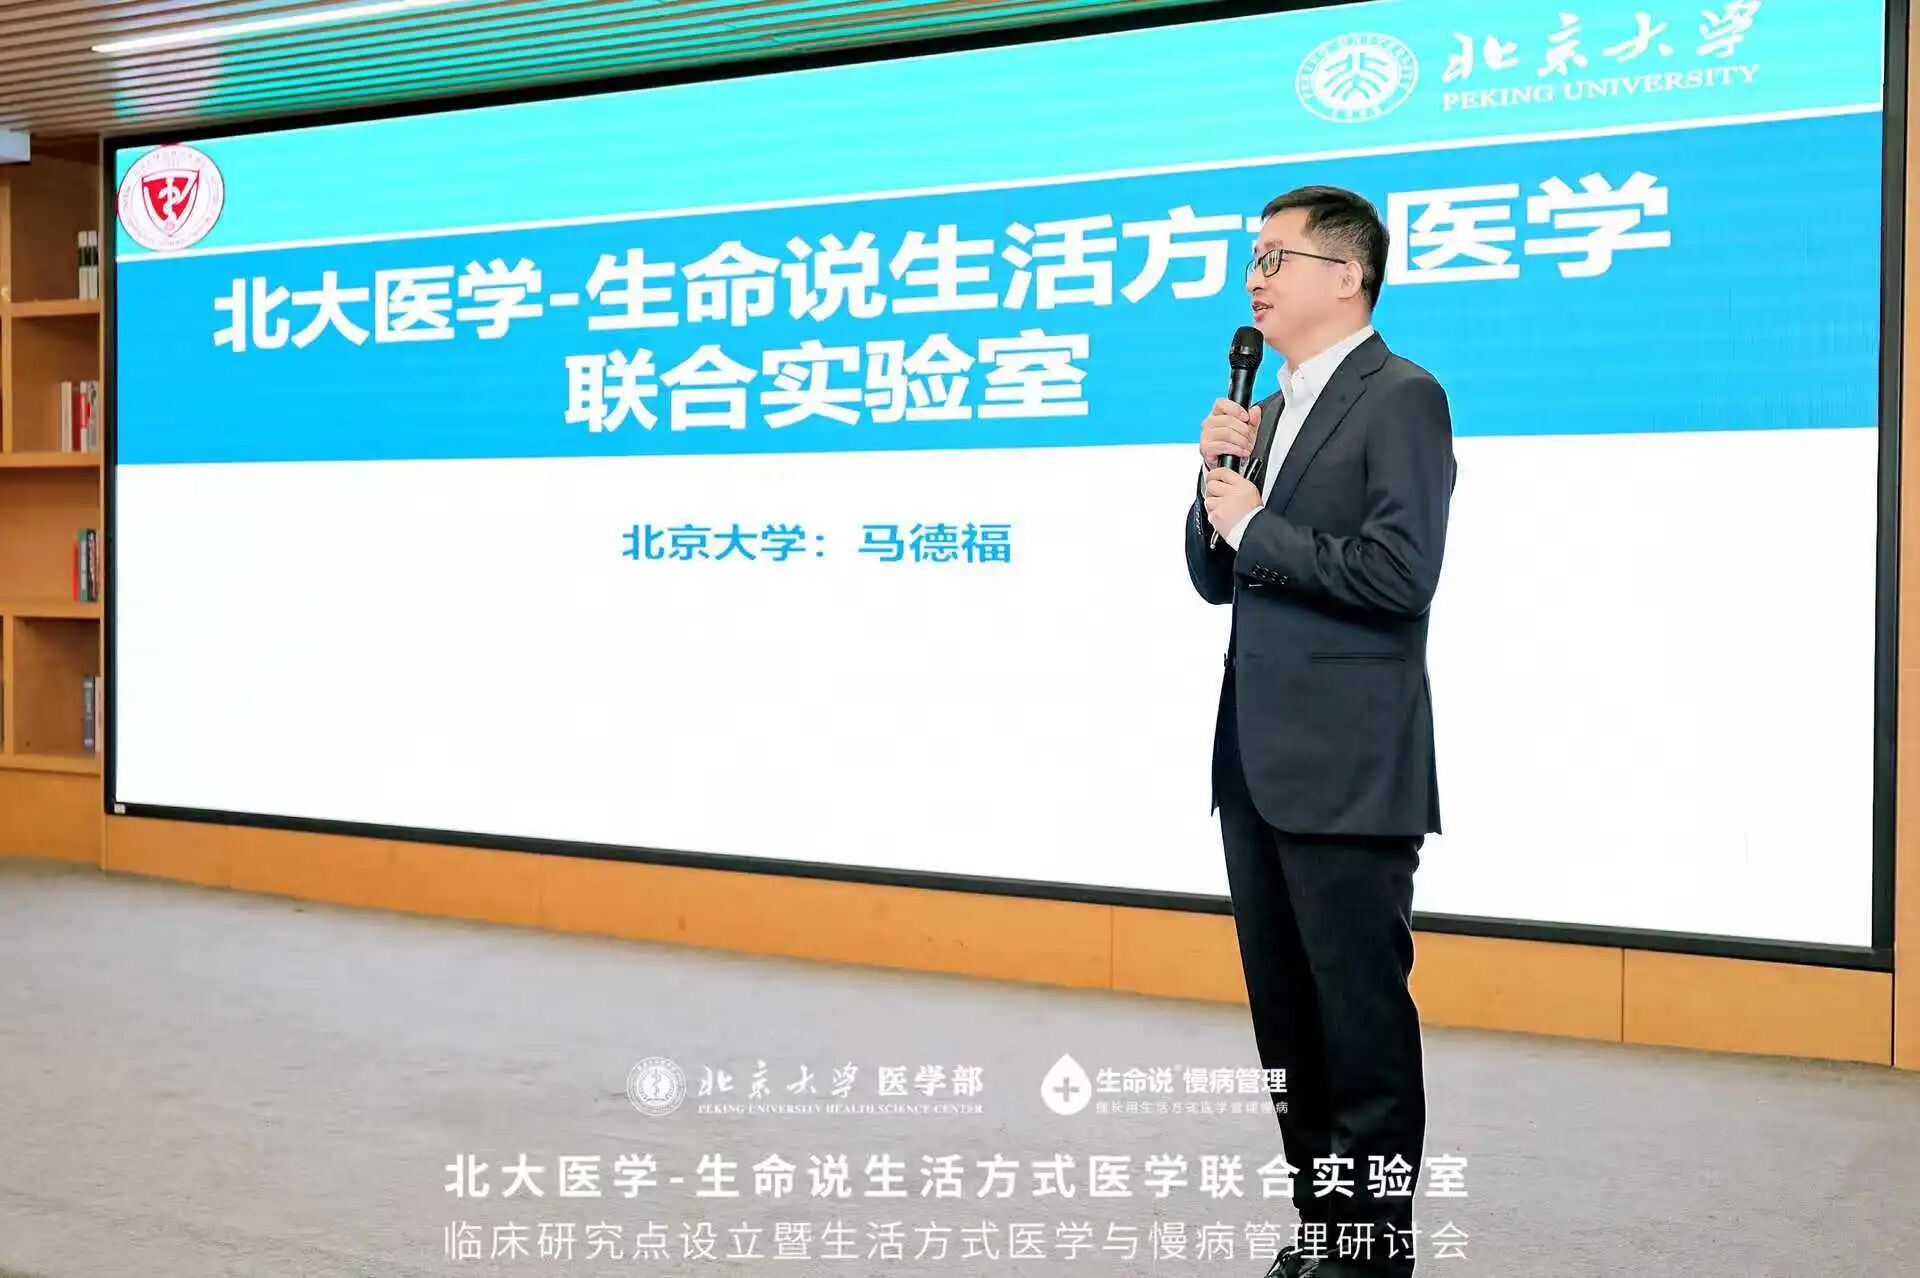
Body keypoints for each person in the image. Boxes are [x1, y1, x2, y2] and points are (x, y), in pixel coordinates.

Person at [1184, 185, 1457, 1278]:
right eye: (1252, 258)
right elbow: (1216, 577)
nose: (1255, 277)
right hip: (1254, 761)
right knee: (1287, 1025)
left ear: (1347, 276)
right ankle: (1323, 1228)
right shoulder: (1265, 408)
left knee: (1358, 1023)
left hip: (1348, 765)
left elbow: (1400, 574)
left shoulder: (1402, 397)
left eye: (1276, 257)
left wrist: (1257, 524)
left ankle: (1371, 1251)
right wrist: (1213, 479)